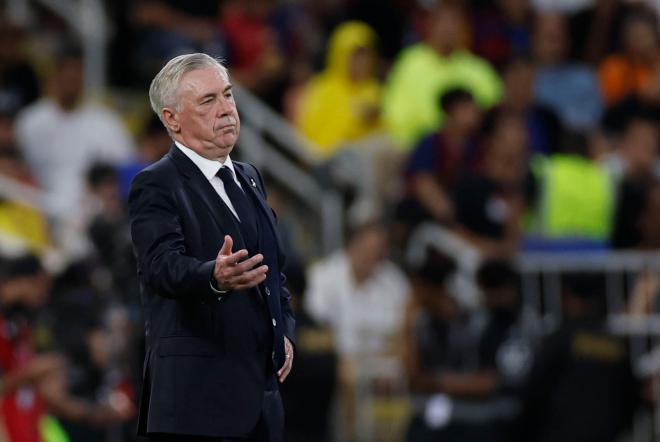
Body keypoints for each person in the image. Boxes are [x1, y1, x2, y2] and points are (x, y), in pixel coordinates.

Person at [128, 53, 295, 441]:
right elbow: (159, 267)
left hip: (260, 402)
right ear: (172, 119)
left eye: (227, 95)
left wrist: (283, 330)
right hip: (195, 404)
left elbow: (274, 271)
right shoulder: (156, 183)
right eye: (208, 101)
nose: (226, 110)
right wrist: (213, 277)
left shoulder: (249, 177)